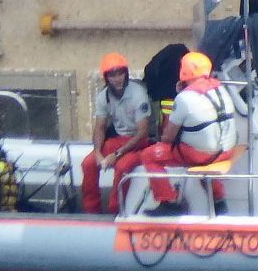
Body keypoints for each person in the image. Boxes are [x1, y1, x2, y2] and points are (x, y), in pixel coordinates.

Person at [137, 51, 238, 207]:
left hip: (203, 155)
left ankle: (168, 201)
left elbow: (168, 138)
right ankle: (219, 200)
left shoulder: (184, 98)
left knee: (149, 156)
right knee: (201, 149)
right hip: (227, 151)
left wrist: (179, 94)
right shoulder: (220, 89)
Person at [79, 52, 153, 214]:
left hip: (139, 143)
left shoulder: (138, 94)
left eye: (120, 73)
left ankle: (115, 210)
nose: (118, 78)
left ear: (126, 73)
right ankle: (91, 211)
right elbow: (99, 127)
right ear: (106, 78)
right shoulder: (103, 96)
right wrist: (98, 152)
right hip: (119, 140)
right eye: (112, 75)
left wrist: (117, 154)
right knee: (88, 163)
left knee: (122, 167)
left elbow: (142, 133)